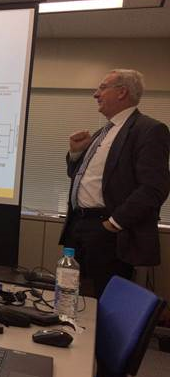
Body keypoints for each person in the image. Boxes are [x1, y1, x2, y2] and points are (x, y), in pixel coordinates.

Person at [60, 69, 170, 298]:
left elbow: (154, 188)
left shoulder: (149, 130)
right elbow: (79, 176)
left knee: (104, 301)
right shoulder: (102, 132)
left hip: (108, 230)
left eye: (102, 88)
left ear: (121, 92)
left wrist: (113, 223)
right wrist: (75, 154)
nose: (95, 94)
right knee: (71, 295)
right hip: (78, 226)